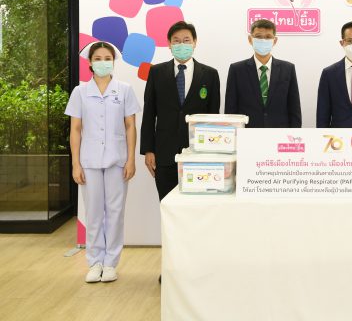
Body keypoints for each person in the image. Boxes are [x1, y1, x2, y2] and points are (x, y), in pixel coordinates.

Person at [65, 41, 141, 283]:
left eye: (107, 58)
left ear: (113, 61)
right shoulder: (80, 92)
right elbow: (75, 129)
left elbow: (130, 126)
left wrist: (131, 159)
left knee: (115, 213)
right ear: (90, 62)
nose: (102, 62)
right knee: (94, 213)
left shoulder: (124, 90)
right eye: (97, 58)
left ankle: (110, 263)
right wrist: (76, 164)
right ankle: (95, 261)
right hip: (88, 161)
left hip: (118, 160)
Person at [140, 21, 220, 201]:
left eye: (186, 40)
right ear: (169, 44)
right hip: (164, 154)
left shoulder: (210, 74)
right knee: (167, 204)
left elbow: (213, 116)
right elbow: (149, 113)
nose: (181, 44)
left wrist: (212, 153)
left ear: (195, 42)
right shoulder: (156, 72)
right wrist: (148, 150)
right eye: (176, 41)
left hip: (198, 154)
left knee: (196, 207)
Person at [225, 19, 302, 127]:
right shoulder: (236, 70)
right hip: (247, 132)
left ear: (275, 41)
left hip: (280, 132)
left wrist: (294, 133)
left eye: (268, 37)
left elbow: (294, 108)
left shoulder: (288, 69)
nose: (263, 40)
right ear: (250, 39)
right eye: (258, 36)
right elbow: (230, 109)